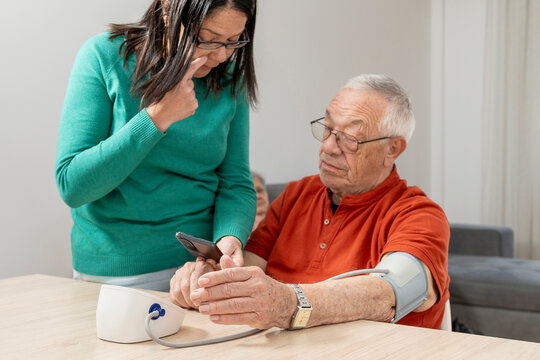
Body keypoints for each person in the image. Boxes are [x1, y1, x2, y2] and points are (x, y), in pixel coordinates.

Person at [169, 74, 450, 330]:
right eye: (327, 129)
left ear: (393, 148)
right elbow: (246, 270)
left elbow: (392, 291)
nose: (328, 147)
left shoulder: (420, 215)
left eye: (350, 139)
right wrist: (207, 280)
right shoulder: (297, 195)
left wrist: (289, 303)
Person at [55, 0, 258, 291]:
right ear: (168, 9)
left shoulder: (228, 80)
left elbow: (235, 182)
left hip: (197, 269)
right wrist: (157, 117)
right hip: (114, 271)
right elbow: (73, 186)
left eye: (232, 41)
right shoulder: (104, 56)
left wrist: (230, 238)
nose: (222, 55)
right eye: (209, 39)